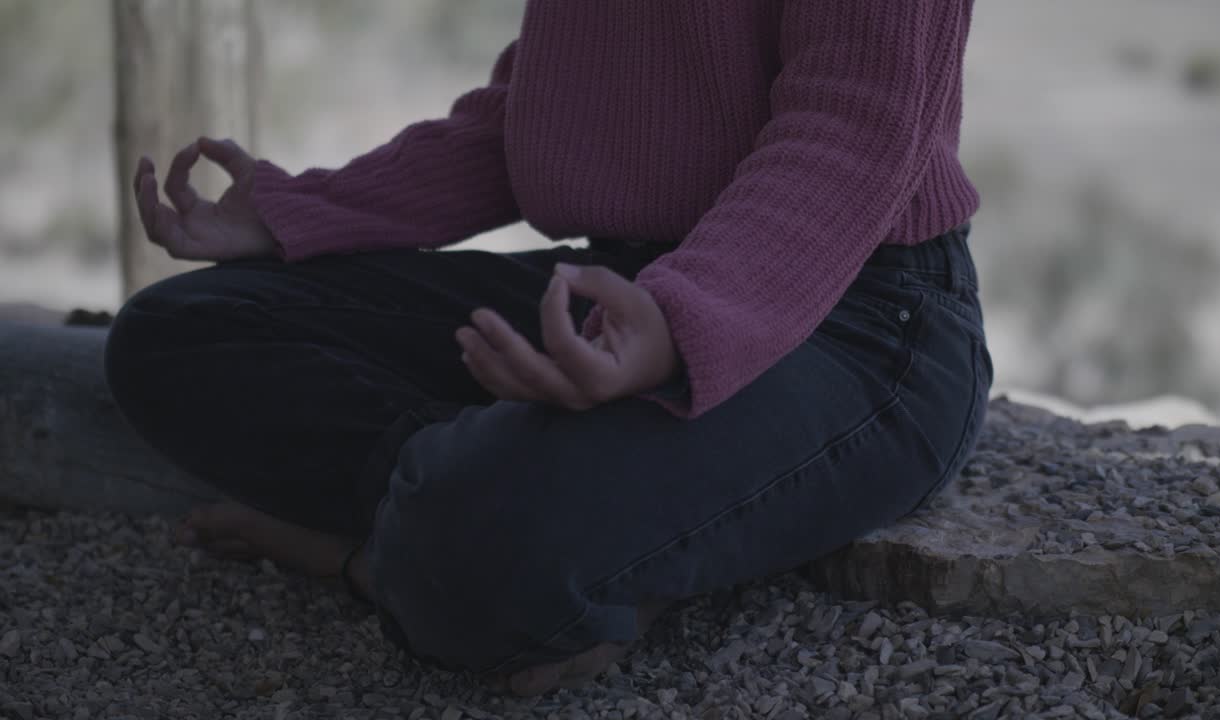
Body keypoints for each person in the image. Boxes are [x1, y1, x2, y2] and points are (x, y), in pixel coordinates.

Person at [104, 0, 992, 697]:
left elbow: (858, 129)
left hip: (862, 320)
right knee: (177, 334)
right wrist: (299, 210)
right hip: (628, 287)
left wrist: (686, 321)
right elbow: (531, 122)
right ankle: (466, 512)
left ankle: (396, 546)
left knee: (481, 531)